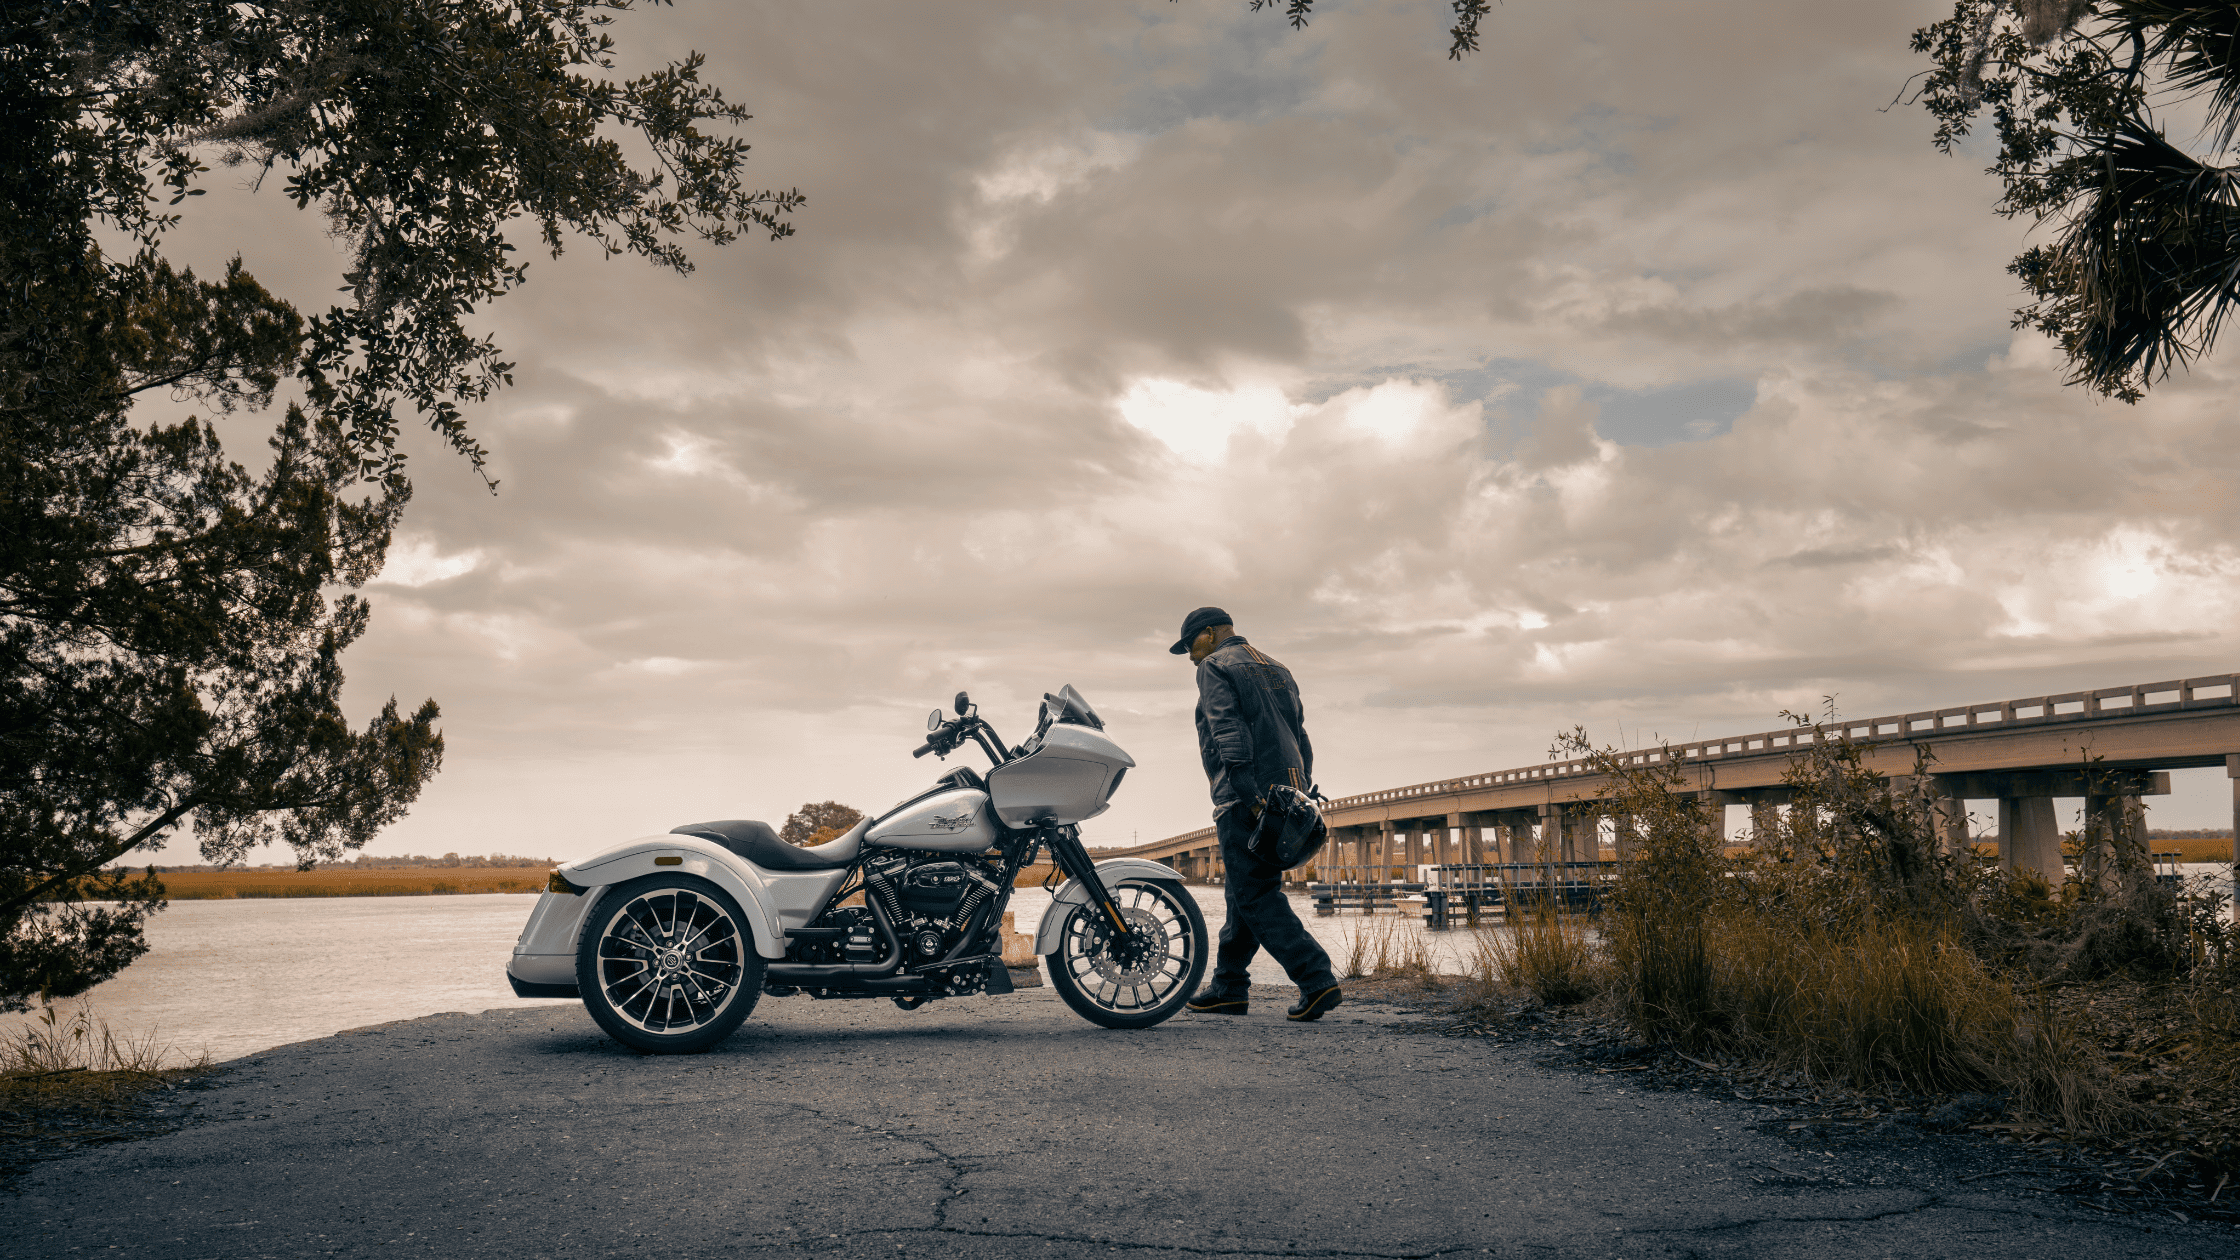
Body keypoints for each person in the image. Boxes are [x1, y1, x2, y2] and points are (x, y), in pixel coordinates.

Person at [1168, 606, 1342, 1022]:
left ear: (1209, 634)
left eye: (1191, 644)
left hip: (1248, 795)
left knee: (1255, 894)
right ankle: (1229, 987)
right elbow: (1300, 734)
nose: (1190, 656)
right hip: (1288, 789)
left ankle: (1316, 978)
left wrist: (1247, 793)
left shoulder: (1215, 666)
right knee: (1242, 892)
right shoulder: (1279, 668)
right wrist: (1300, 788)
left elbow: (1227, 728)